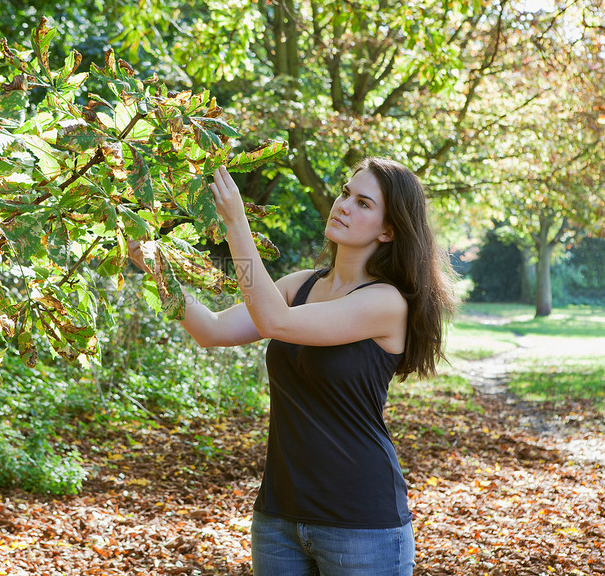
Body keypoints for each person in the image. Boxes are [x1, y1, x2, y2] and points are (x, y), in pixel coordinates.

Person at [128, 157, 456, 576]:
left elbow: (274, 321)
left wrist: (236, 225)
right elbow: (211, 330)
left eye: (363, 203)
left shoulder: (385, 302)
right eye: (344, 193)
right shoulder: (298, 285)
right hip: (278, 517)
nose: (343, 205)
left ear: (388, 230)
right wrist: (158, 268)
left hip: (360, 523)